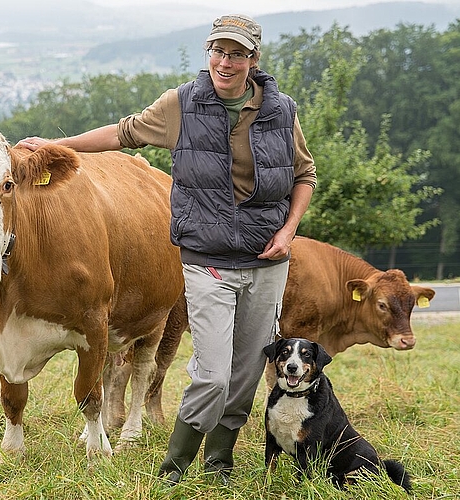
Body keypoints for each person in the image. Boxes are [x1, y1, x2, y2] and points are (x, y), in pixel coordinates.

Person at [18, 13, 316, 486]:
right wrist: (57, 145)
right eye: (217, 51)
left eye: (236, 53)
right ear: (209, 54)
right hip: (206, 258)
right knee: (214, 374)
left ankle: (218, 463)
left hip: (266, 259)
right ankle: (173, 470)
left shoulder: (282, 111)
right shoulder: (180, 105)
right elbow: (122, 133)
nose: (224, 61)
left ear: (253, 60)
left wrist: (289, 231)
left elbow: (304, 175)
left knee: (245, 375)